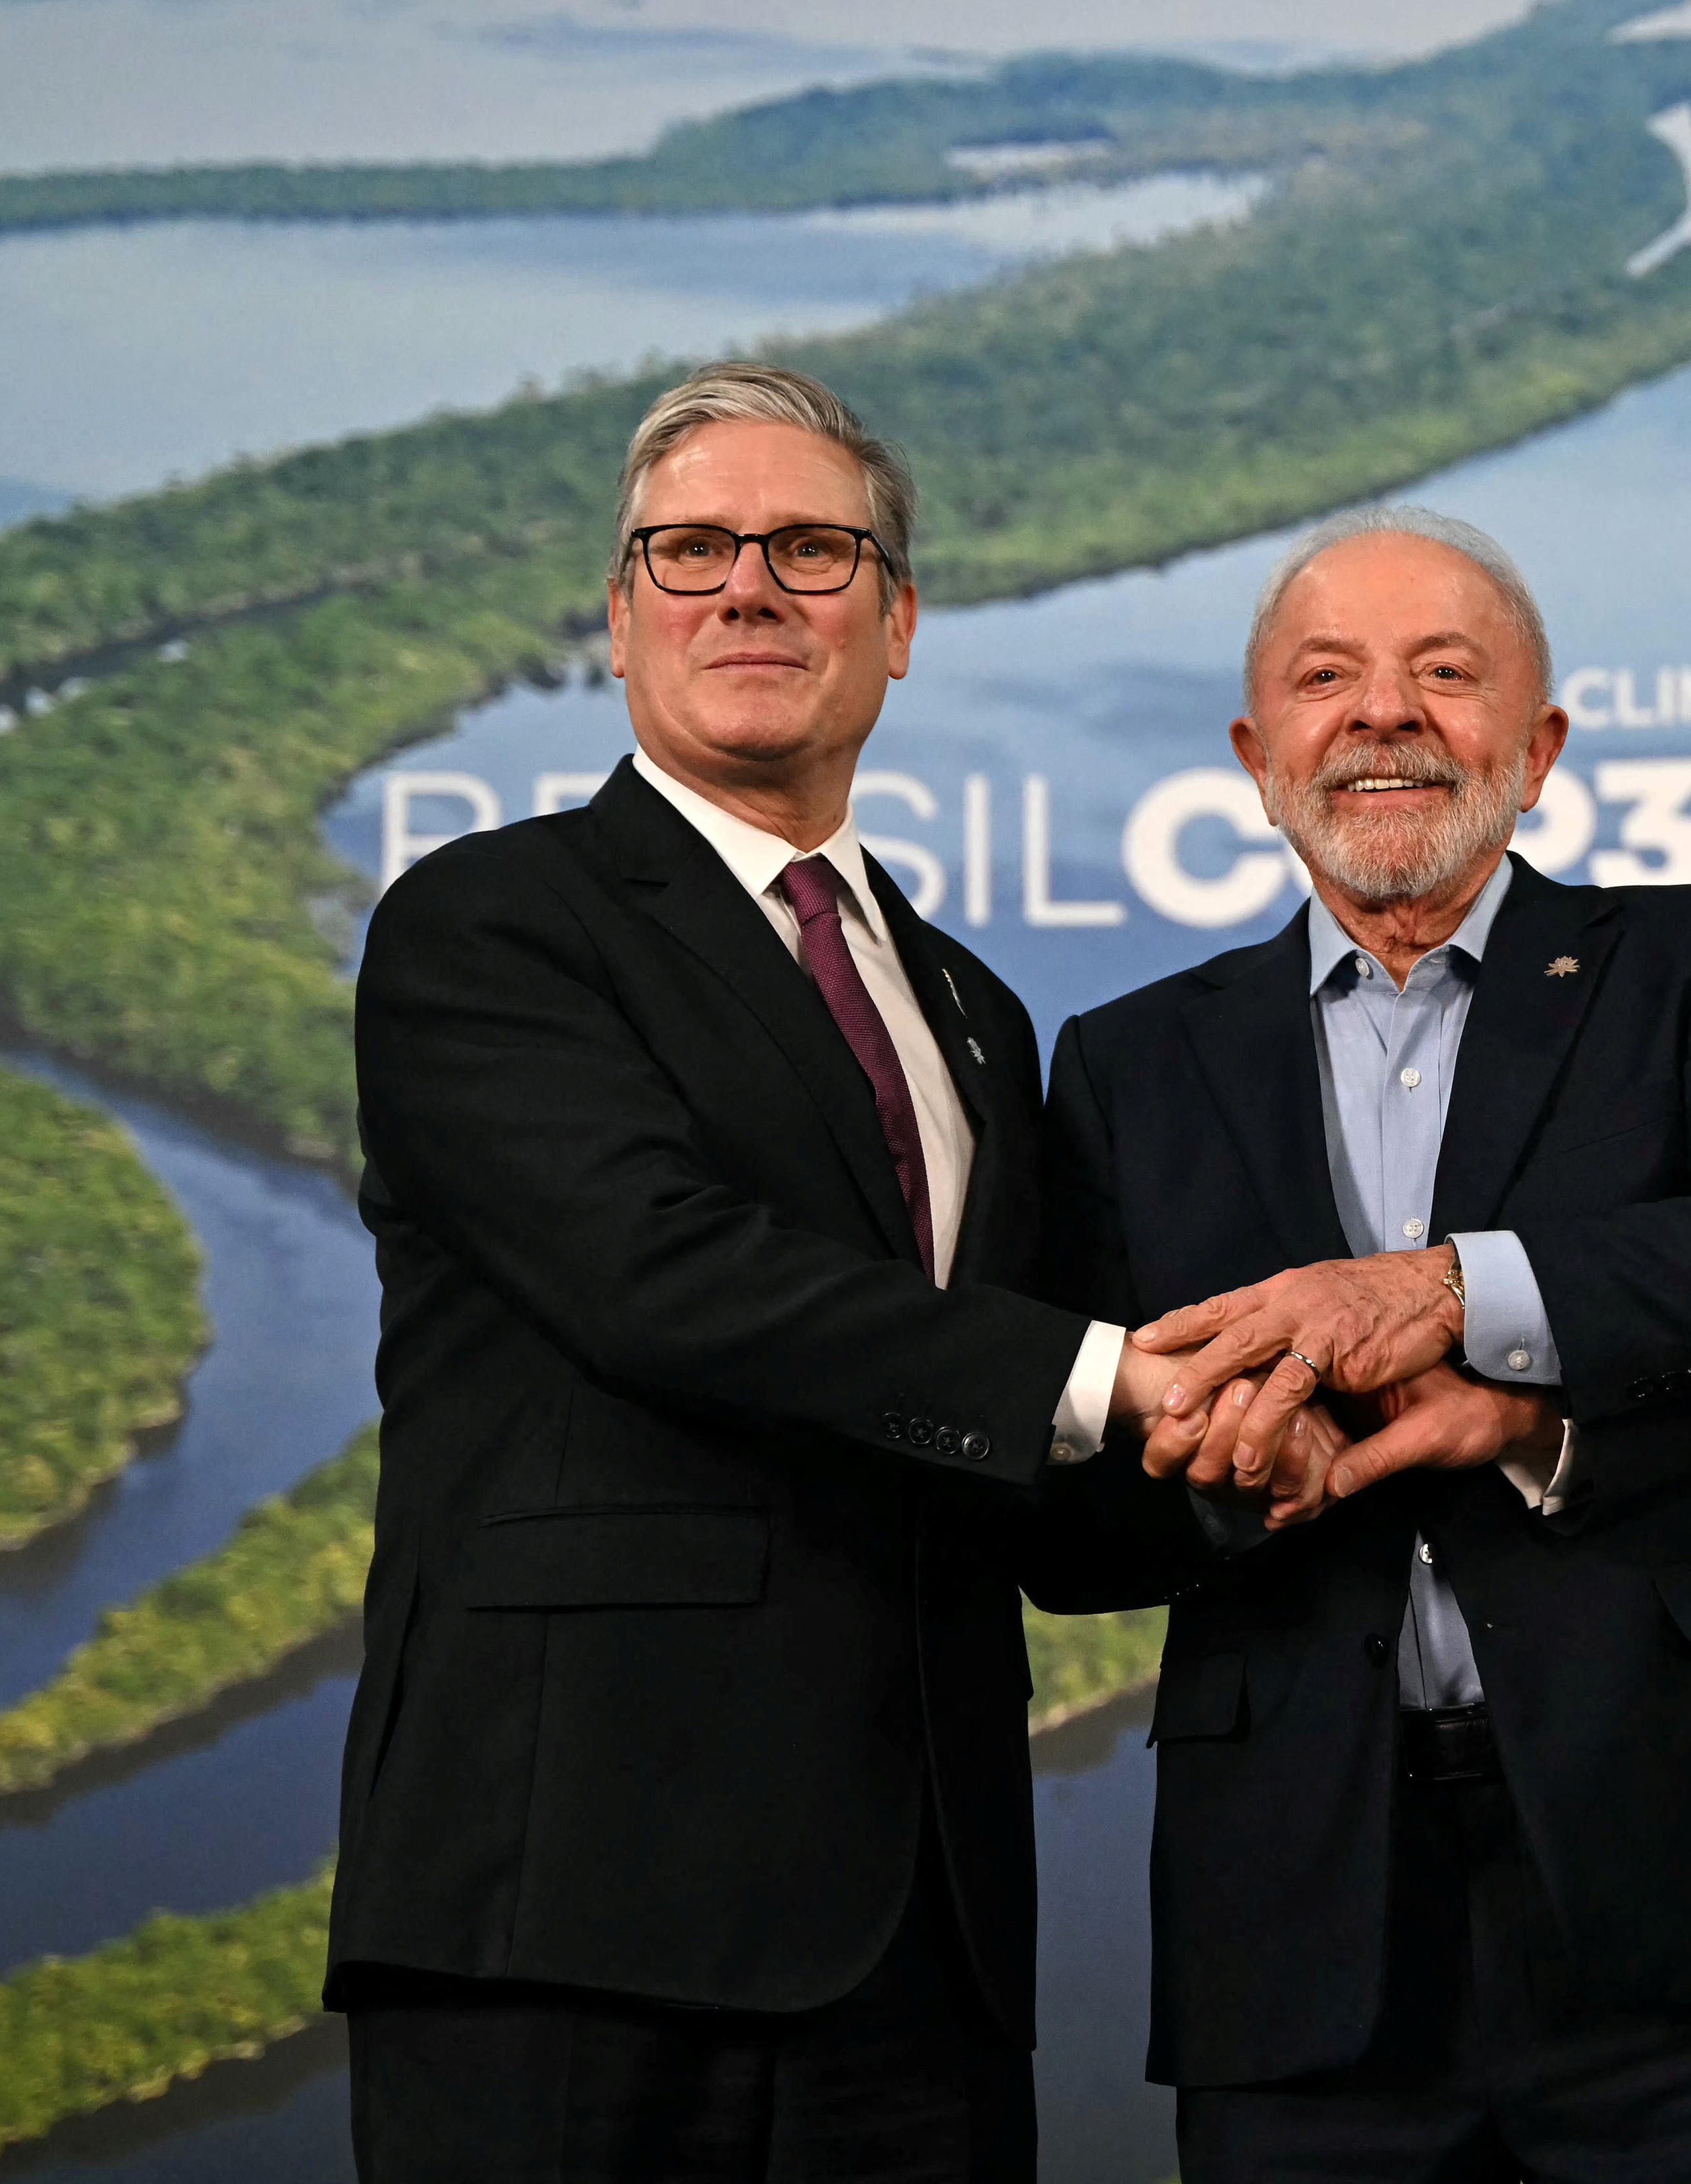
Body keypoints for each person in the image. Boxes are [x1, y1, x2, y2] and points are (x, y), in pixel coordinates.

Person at [333, 360, 1256, 2181]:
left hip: (921, 1938)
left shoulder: (974, 1009)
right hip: (580, 1913)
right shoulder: (493, 923)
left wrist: (1255, 1447)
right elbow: (656, 1275)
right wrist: (1103, 1374)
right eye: (688, 550)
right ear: (618, 622)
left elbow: (1025, 1469)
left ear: (897, 624)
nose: (748, 587)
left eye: (812, 549)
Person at [1039, 505, 1691, 2181]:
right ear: (1258, 754)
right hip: (1295, 1913)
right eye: (1327, 676)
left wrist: (1464, 1305)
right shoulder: (1124, 1063)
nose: (1382, 713)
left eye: (1443, 672)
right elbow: (1069, 1530)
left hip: (1683, 1873)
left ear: (1536, 746)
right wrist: (1223, 1468)